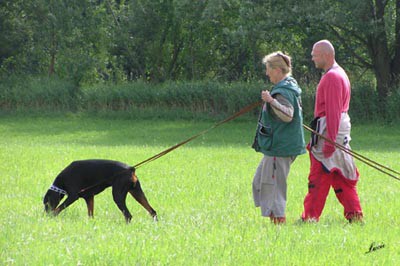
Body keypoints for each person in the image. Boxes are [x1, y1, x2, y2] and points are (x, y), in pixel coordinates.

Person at [301, 40, 363, 223]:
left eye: (315, 54)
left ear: (326, 55)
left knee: (319, 176)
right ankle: (355, 215)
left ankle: (310, 218)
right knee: (342, 177)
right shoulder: (339, 74)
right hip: (337, 133)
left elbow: (333, 112)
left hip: (330, 132)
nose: (312, 58)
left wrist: (329, 143)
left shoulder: (332, 78)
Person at [252, 51, 306, 224]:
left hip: (280, 147)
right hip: (278, 146)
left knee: (273, 186)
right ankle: (274, 219)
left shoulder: (283, 91)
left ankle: (278, 224)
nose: (267, 73)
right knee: (261, 181)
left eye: (268, 69)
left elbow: (288, 115)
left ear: (277, 70)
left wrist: (271, 101)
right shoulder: (290, 86)